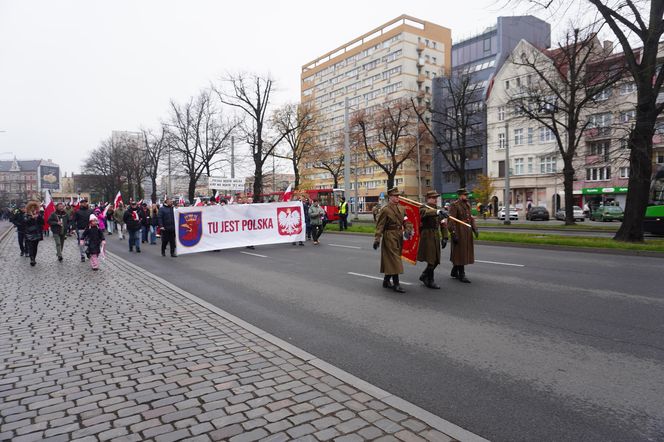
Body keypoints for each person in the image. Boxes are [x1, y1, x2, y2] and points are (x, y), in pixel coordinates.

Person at [373, 187, 409, 293]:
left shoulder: (402, 208)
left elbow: (406, 221)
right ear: (390, 197)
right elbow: (380, 226)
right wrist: (377, 239)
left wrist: (408, 229)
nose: (398, 197)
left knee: (392, 259)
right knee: (395, 259)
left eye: (398, 196)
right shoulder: (385, 209)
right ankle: (396, 284)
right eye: (395, 196)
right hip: (389, 236)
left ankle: (386, 280)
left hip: (399, 236)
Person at [417, 190, 448, 289]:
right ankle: (430, 281)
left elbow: (443, 224)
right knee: (431, 260)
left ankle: (424, 275)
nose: (435, 200)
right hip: (427, 236)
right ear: (428, 198)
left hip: (435, 235)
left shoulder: (439, 209)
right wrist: (437, 212)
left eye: (436, 198)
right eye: (433, 198)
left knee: (436, 260)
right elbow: (425, 213)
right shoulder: (423, 207)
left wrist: (445, 237)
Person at [448, 188, 478, 283]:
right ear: (460, 196)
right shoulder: (454, 205)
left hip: (467, 231)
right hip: (459, 231)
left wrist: (474, 229)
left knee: (463, 252)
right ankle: (462, 274)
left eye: (467, 195)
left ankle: (454, 271)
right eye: (465, 195)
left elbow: (470, 218)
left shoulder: (467, 205)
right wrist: (453, 233)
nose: (467, 196)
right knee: (460, 253)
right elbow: (451, 220)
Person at [24, 200, 44, 267]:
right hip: (29, 233)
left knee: (35, 247)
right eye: (31, 207)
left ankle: (34, 259)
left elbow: (42, 223)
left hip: (37, 233)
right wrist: (31, 218)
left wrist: (39, 217)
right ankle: (32, 259)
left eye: (34, 207)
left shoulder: (38, 215)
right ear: (29, 208)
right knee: (30, 247)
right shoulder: (26, 215)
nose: (33, 209)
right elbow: (24, 222)